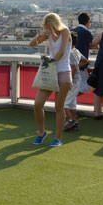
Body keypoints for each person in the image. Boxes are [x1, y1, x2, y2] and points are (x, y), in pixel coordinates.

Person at [29, 13, 72, 147]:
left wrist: (50, 60)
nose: (47, 28)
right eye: (46, 26)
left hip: (63, 72)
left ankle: (58, 138)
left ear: (54, 24)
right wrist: (40, 36)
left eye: (49, 26)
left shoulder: (65, 32)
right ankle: (41, 132)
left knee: (59, 107)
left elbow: (62, 52)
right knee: (37, 104)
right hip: (51, 72)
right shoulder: (48, 34)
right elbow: (32, 44)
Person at [63, 32, 88, 131]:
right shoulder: (76, 51)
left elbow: (72, 68)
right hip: (78, 80)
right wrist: (78, 66)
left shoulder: (69, 52)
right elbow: (85, 60)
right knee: (72, 104)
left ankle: (71, 121)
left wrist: (70, 81)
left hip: (72, 81)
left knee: (64, 104)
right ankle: (74, 121)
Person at [73, 12, 94, 93]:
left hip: (72, 62)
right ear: (87, 22)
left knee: (75, 85)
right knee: (86, 86)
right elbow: (92, 44)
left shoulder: (73, 31)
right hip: (82, 63)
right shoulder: (86, 32)